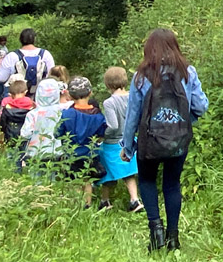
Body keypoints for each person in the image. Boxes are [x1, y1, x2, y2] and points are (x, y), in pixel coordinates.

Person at [121, 28, 209, 252]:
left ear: (148, 48)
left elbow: (133, 115)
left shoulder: (141, 76)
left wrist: (128, 146)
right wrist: (183, 121)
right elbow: (201, 105)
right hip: (178, 141)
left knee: (148, 181)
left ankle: (155, 232)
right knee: (172, 184)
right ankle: (173, 238)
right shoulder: (187, 72)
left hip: (149, 141)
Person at [56, 76, 107, 208]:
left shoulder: (67, 114)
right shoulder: (98, 115)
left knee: (75, 180)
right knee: (88, 180)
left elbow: (57, 133)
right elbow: (102, 134)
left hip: (72, 154)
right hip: (91, 153)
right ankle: (87, 204)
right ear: (90, 93)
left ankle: (77, 205)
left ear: (70, 95)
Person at [97, 66, 143, 212]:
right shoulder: (132, 97)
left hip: (112, 144)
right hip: (130, 141)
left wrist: (101, 134)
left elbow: (113, 125)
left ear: (108, 84)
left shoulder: (109, 103)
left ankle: (105, 201)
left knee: (107, 173)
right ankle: (134, 200)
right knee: (128, 173)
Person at [20, 78, 67, 176]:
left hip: (36, 151)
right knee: (53, 176)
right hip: (56, 150)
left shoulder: (32, 114)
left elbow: (25, 134)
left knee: (36, 178)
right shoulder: (62, 111)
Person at [0, 29, 55, 97]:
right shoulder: (46, 54)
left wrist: (0, 61)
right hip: (41, 97)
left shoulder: (12, 56)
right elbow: (51, 77)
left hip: (17, 98)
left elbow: (0, 78)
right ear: (34, 39)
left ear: (20, 40)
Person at [0, 75, 34, 169]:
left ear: (10, 94)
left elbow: (2, 122)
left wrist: (2, 132)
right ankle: (26, 166)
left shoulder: (7, 106)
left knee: (11, 153)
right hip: (25, 134)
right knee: (24, 152)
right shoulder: (30, 104)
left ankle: (13, 171)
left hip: (10, 133)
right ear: (26, 92)